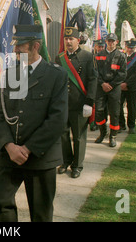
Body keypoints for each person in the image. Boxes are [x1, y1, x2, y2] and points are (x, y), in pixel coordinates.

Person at [0, 24, 68, 222]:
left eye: (20, 45)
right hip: (10, 154)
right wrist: (9, 146)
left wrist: (28, 148)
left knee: (41, 213)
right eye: (15, 45)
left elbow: (57, 120)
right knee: (0, 204)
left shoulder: (56, 76)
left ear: (35, 46)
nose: (15, 49)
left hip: (41, 156)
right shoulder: (9, 74)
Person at [56, 26, 97, 178]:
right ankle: (66, 161)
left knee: (79, 136)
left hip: (80, 104)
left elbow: (93, 80)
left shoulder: (87, 56)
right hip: (63, 103)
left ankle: (77, 165)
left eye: (71, 39)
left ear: (78, 40)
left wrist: (89, 102)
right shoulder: (60, 58)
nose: (68, 42)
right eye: (66, 39)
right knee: (63, 134)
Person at [94, 33, 127, 147]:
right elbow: (95, 72)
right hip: (101, 87)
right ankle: (103, 133)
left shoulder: (121, 56)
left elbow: (122, 74)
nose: (111, 43)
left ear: (116, 42)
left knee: (114, 113)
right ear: (106, 41)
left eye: (113, 41)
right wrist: (102, 83)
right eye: (109, 41)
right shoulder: (99, 55)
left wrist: (111, 85)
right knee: (98, 111)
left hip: (114, 88)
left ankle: (113, 136)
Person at [119, 39, 136, 134]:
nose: (130, 49)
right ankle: (121, 125)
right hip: (121, 86)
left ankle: (131, 126)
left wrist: (126, 84)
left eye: (132, 48)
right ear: (125, 47)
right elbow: (118, 71)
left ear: (135, 48)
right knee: (118, 106)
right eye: (128, 47)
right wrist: (121, 83)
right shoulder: (121, 57)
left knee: (132, 107)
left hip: (132, 86)